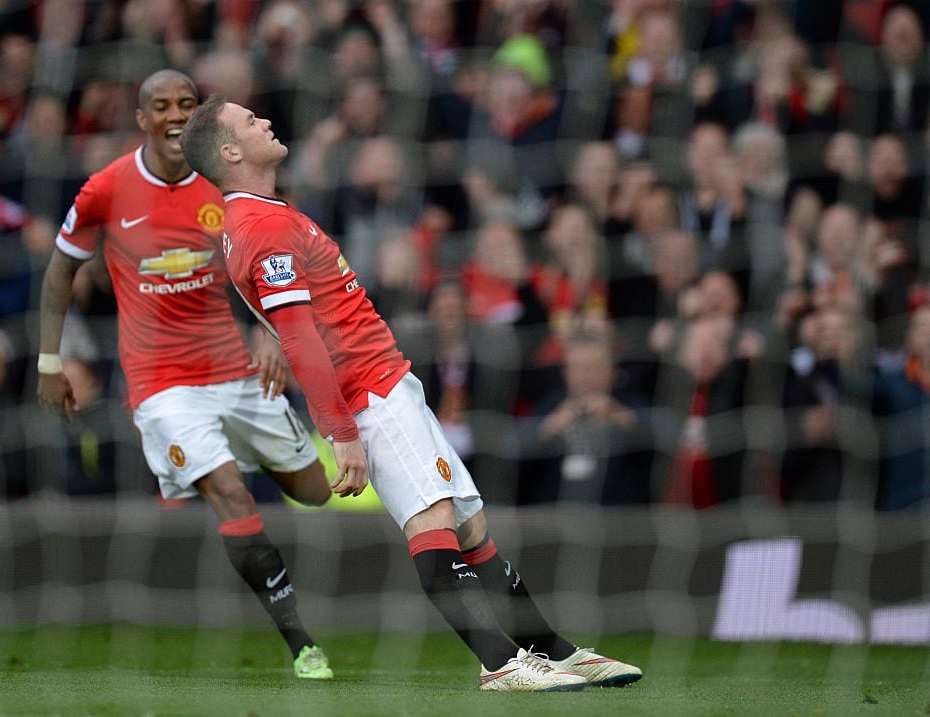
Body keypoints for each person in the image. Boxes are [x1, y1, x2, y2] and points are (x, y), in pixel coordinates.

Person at [180, 95, 643, 692]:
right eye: (249, 121)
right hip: (370, 393)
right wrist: (342, 433)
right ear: (230, 151)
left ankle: (552, 650)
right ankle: (499, 664)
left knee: (471, 529)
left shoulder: (261, 216)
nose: (264, 120)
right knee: (435, 523)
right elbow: (299, 340)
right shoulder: (262, 226)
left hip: (389, 383)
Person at [36, 70, 334, 680]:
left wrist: (267, 329)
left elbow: (269, 253)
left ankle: (219, 457)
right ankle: (302, 643)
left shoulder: (222, 184)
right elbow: (60, 271)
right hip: (160, 384)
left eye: (187, 104)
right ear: (142, 119)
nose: (175, 114)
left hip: (235, 371)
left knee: (314, 492)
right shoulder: (105, 190)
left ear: (198, 117)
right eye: (162, 106)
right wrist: (49, 361)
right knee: (230, 491)